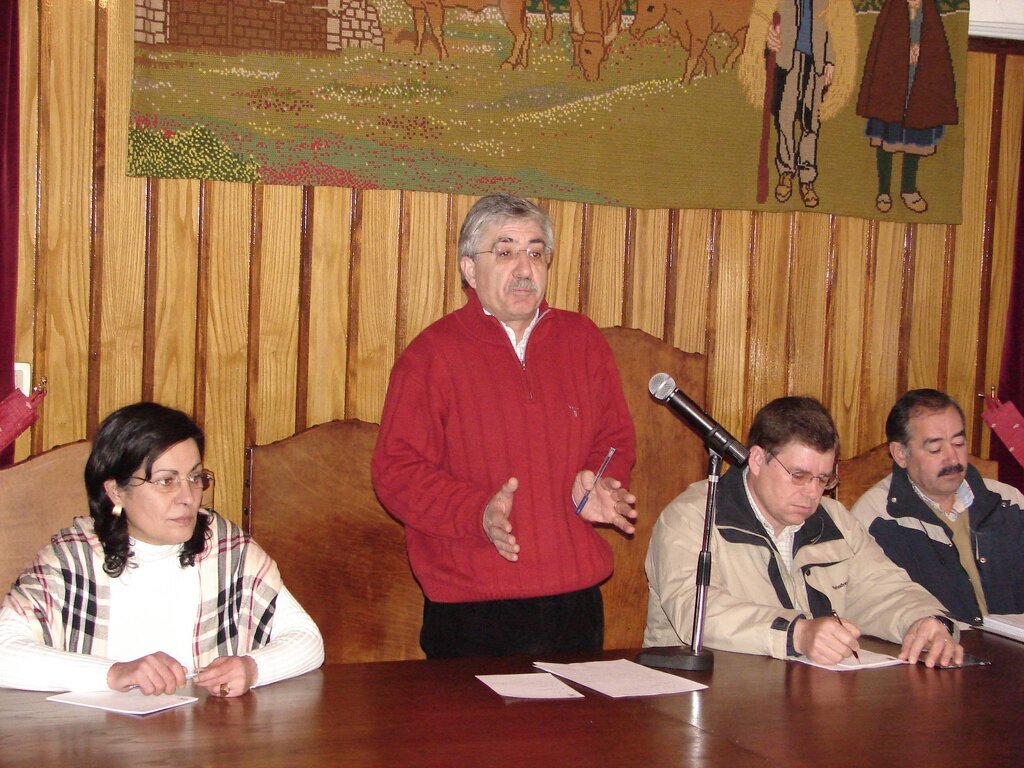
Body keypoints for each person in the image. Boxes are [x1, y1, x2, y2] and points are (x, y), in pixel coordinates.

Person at [371, 194, 636, 658]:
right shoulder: (430, 357)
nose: (524, 267)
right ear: (470, 270)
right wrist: (477, 511)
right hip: (473, 605)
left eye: (535, 252)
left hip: (574, 600)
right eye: (505, 250)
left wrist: (599, 480)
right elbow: (396, 472)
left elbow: (614, 439)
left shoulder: (582, 341)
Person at [0, 402, 324, 695]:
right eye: (166, 481)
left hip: (207, 744)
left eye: (195, 478)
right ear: (115, 491)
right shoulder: (74, 556)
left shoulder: (226, 548)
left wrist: (253, 668)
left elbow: (307, 640)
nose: (188, 497)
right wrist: (113, 674)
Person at [645, 396, 962, 667]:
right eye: (798, 475)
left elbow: (882, 587)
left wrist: (925, 620)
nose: (812, 493)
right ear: (756, 459)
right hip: (700, 699)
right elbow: (694, 612)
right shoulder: (692, 517)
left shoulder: (833, 519)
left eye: (823, 479)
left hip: (800, 698)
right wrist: (797, 633)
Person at [851, 389, 1024, 625]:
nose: (953, 459)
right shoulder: (876, 518)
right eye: (935, 449)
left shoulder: (1008, 500)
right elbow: (871, 605)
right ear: (901, 454)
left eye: (959, 443)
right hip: (937, 652)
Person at [856, 0, 958, 214]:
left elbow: (937, 50)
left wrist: (921, 53)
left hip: (918, 88)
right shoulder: (892, 10)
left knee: (915, 137)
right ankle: (883, 190)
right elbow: (883, 47)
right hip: (891, 89)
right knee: (887, 137)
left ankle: (908, 189)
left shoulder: (929, 13)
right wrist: (903, 53)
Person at [768, 0, 836, 209]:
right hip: (789, 60)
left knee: (810, 123)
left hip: (816, 63)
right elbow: (767, 15)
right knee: (785, 118)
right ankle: (786, 172)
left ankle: (807, 178)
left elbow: (831, 25)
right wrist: (769, 32)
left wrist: (830, 60)